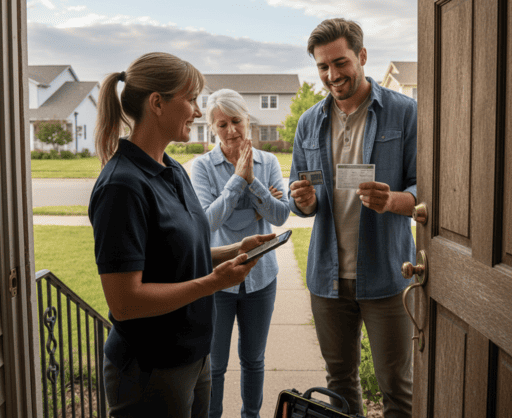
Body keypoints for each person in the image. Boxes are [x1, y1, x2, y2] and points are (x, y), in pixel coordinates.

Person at [88, 53, 275, 418]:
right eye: (191, 99)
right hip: (151, 368)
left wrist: (238, 248)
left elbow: (183, 252)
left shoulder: (171, 169)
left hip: (192, 356)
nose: (197, 111)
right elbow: (126, 302)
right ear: (157, 103)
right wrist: (212, 283)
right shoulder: (122, 186)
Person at [288, 18, 417, 418]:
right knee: (339, 384)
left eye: (340, 62)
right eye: (322, 67)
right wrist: (304, 200)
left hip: (387, 275)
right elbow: (299, 196)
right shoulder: (309, 121)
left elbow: (427, 191)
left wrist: (393, 200)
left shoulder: (404, 113)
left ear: (362, 56)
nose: (332, 75)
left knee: (397, 387)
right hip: (327, 278)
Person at [191, 88, 290, 418]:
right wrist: (239, 183)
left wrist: (254, 185)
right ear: (212, 128)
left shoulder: (269, 162)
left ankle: (251, 415)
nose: (231, 130)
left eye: (236, 121)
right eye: (222, 124)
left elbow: (279, 215)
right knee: (215, 365)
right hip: (219, 280)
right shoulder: (203, 167)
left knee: (253, 359)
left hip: (261, 278)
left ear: (247, 120)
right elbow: (206, 222)